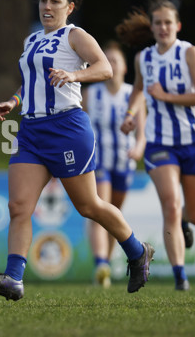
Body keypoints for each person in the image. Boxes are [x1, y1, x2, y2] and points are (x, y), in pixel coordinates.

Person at [0, 0, 154, 301]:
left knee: (89, 206)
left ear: (69, 7)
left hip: (66, 129)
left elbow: (105, 68)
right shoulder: (31, 40)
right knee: (18, 207)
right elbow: (33, 83)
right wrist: (14, 101)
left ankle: (137, 250)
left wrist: (75, 74)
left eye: (55, 1)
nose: (47, 6)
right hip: (31, 131)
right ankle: (14, 279)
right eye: (43, 0)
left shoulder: (75, 36)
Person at [117, 0, 195, 291]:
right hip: (160, 142)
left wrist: (165, 97)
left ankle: (185, 222)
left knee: (194, 215)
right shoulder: (143, 58)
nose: (163, 27)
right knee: (170, 205)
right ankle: (180, 276)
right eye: (158, 22)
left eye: (168, 22)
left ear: (177, 25)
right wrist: (131, 114)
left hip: (194, 140)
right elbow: (137, 91)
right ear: (152, 26)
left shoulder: (189, 53)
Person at [83, 41, 146, 288]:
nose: (112, 64)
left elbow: (142, 130)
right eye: (107, 60)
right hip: (98, 160)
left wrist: (139, 147)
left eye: (116, 60)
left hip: (124, 161)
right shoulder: (91, 93)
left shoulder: (134, 94)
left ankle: (105, 266)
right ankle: (100, 262)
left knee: (113, 215)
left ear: (124, 68)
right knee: (100, 208)